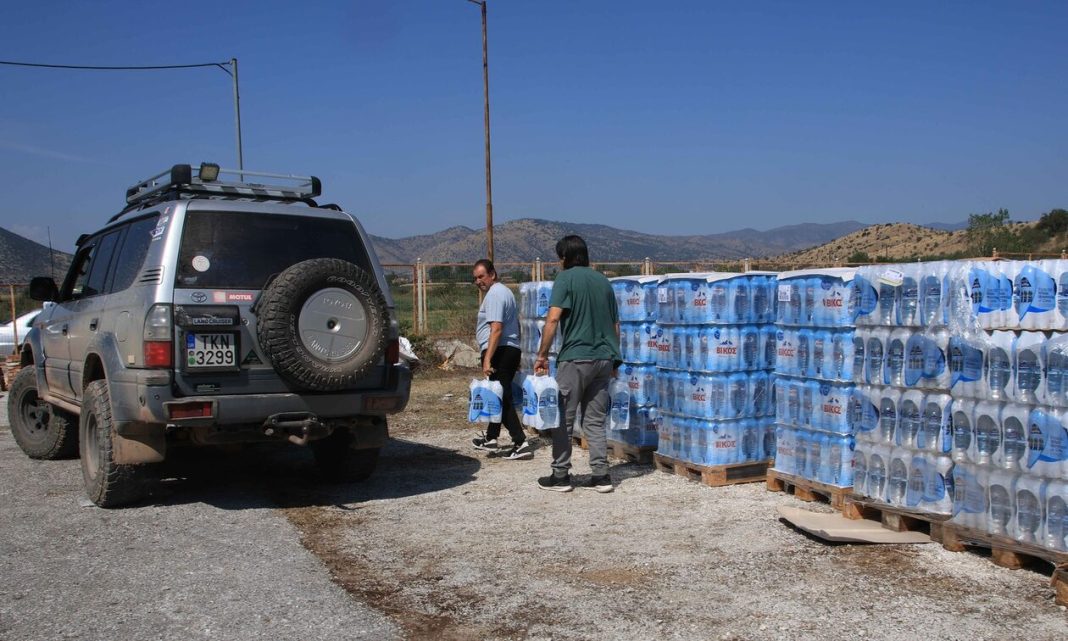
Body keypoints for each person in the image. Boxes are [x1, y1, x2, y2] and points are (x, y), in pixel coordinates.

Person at [534, 235, 622, 492]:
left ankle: (560, 475)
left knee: (564, 418)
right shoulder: (603, 281)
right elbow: (615, 325)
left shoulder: (565, 279)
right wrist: (615, 358)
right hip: (604, 358)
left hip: (575, 358)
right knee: (594, 420)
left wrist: (541, 355)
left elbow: (552, 319)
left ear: (564, 258)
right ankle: (601, 475)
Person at [471, 259, 532, 460]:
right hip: (507, 350)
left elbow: (496, 329)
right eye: (475, 278)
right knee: (498, 393)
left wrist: (487, 359)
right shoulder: (503, 292)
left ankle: (520, 442)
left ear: (492, 274)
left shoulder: (495, 294)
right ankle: (491, 437)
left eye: (481, 276)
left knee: (500, 397)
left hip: (500, 351)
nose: (478, 281)